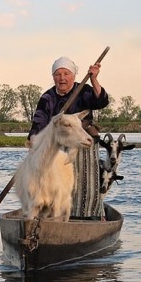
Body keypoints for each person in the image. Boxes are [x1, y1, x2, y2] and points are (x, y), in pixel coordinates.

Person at [27, 56, 110, 220]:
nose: (62, 78)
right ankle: (57, 215)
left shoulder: (84, 91)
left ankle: (88, 216)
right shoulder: (47, 98)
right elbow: (39, 122)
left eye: (66, 74)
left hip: (83, 144)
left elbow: (102, 101)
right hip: (59, 147)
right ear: (53, 77)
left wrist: (94, 79)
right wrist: (33, 142)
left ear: (73, 76)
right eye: (58, 74)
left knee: (84, 183)